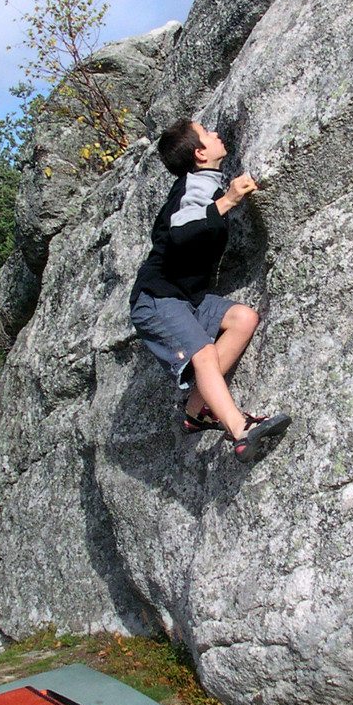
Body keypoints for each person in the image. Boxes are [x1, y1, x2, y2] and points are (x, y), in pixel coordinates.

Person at [129, 118, 291, 463]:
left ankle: (196, 411)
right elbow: (179, 233)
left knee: (243, 318)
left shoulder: (206, 183)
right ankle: (241, 430)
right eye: (206, 133)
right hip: (158, 298)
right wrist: (229, 200)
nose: (216, 134)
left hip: (187, 299)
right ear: (200, 154)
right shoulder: (192, 185)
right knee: (203, 352)